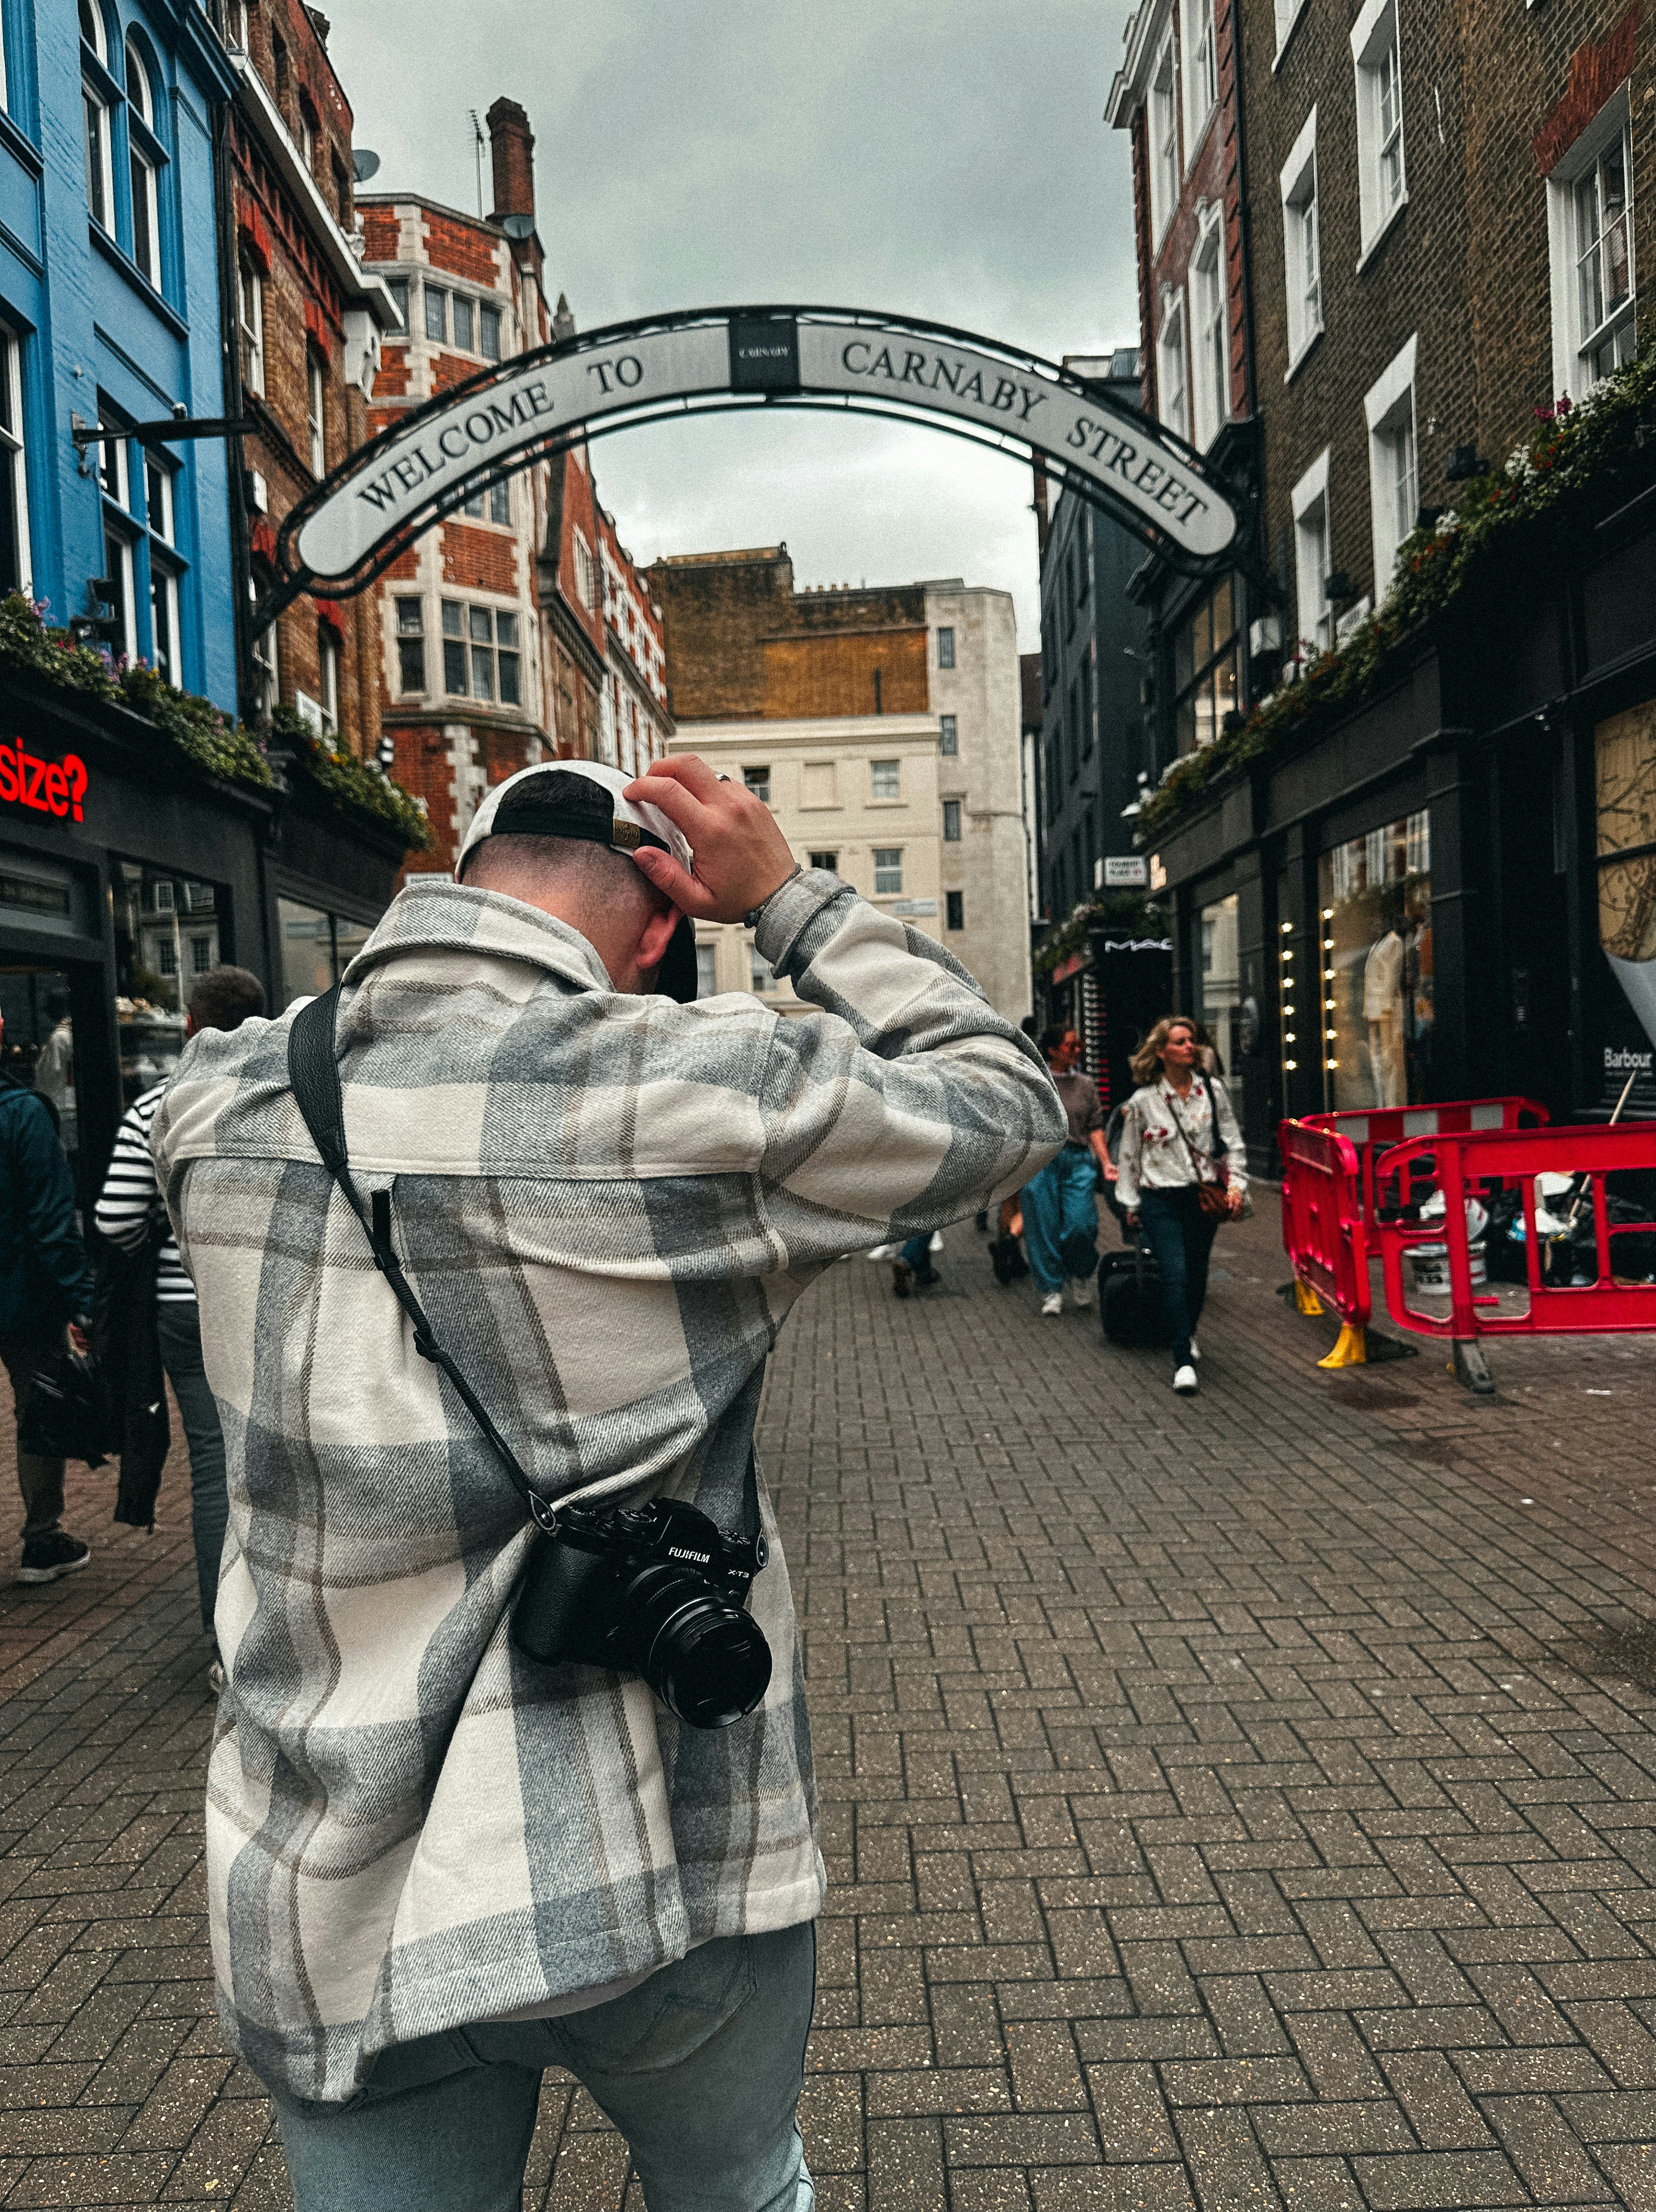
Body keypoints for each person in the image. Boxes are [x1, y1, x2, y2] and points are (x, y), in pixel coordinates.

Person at [151, 757, 1064, 2212]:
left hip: (332, 1850)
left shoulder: (218, 1098)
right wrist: (795, 906)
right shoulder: (690, 1087)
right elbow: (1008, 1103)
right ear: (657, 927)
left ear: (459, 873)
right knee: (739, 2190)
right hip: (652, 1838)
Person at [95, 966, 266, 1657]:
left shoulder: (157, 1108)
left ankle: (225, 1644)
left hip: (185, 1306)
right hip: (270, 1294)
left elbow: (113, 1222)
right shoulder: (290, 1092)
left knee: (213, 1465)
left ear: (191, 1025)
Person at [0, 1015, 95, 1583]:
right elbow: (52, 1221)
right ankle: (42, 1540)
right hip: (22, 1294)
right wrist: (82, 1302)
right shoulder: (23, 1115)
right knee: (37, 1408)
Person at [1116, 1014, 1247, 1393]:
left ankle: (1187, 1331)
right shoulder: (1143, 1102)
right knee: (1174, 1274)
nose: (1190, 1046)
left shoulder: (1213, 1091)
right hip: (1160, 1199)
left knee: (1196, 1274)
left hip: (1202, 1198)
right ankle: (1182, 1361)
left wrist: (1235, 1188)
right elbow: (1130, 1155)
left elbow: (1233, 1144)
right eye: (1180, 1042)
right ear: (1161, 1052)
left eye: (1192, 1041)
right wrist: (1130, 1202)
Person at [1020, 1025, 1110, 1317]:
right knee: (1042, 1227)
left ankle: (1081, 1274)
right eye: (1071, 1046)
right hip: (1040, 1162)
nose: (1077, 1050)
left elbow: (1095, 1126)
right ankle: (1052, 1290)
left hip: (1078, 1160)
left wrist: (1106, 1162)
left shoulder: (1085, 1084)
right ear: (1053, 1051)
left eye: (1079, 1045)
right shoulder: (1035, 1082)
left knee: (1081, 1225)